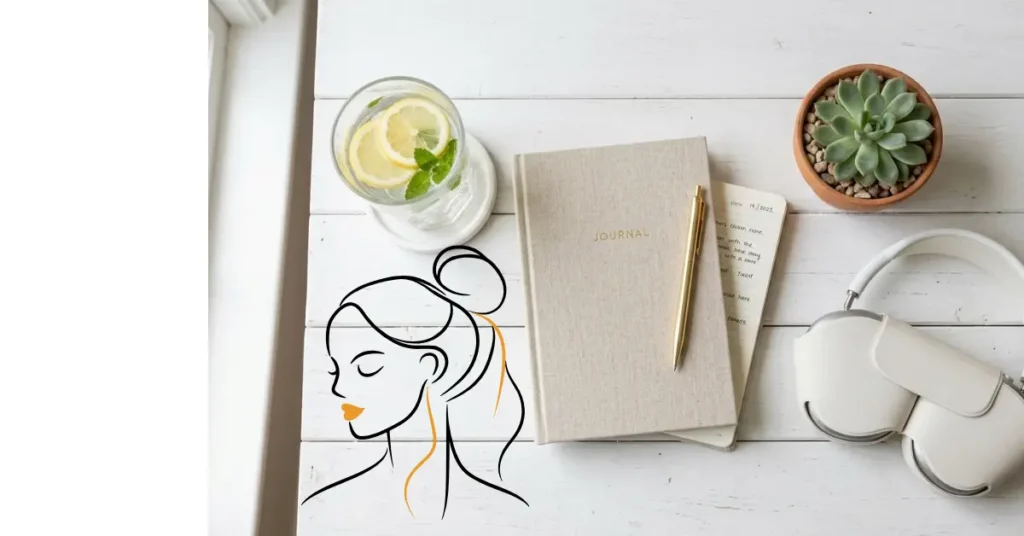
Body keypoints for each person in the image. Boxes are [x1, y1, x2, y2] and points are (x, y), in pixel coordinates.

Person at [300, 246, 527, 518]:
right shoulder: (326, 508)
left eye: (365, 368)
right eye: (334, 371)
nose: (338, 388)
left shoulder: (508, 513)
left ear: (431, 365)